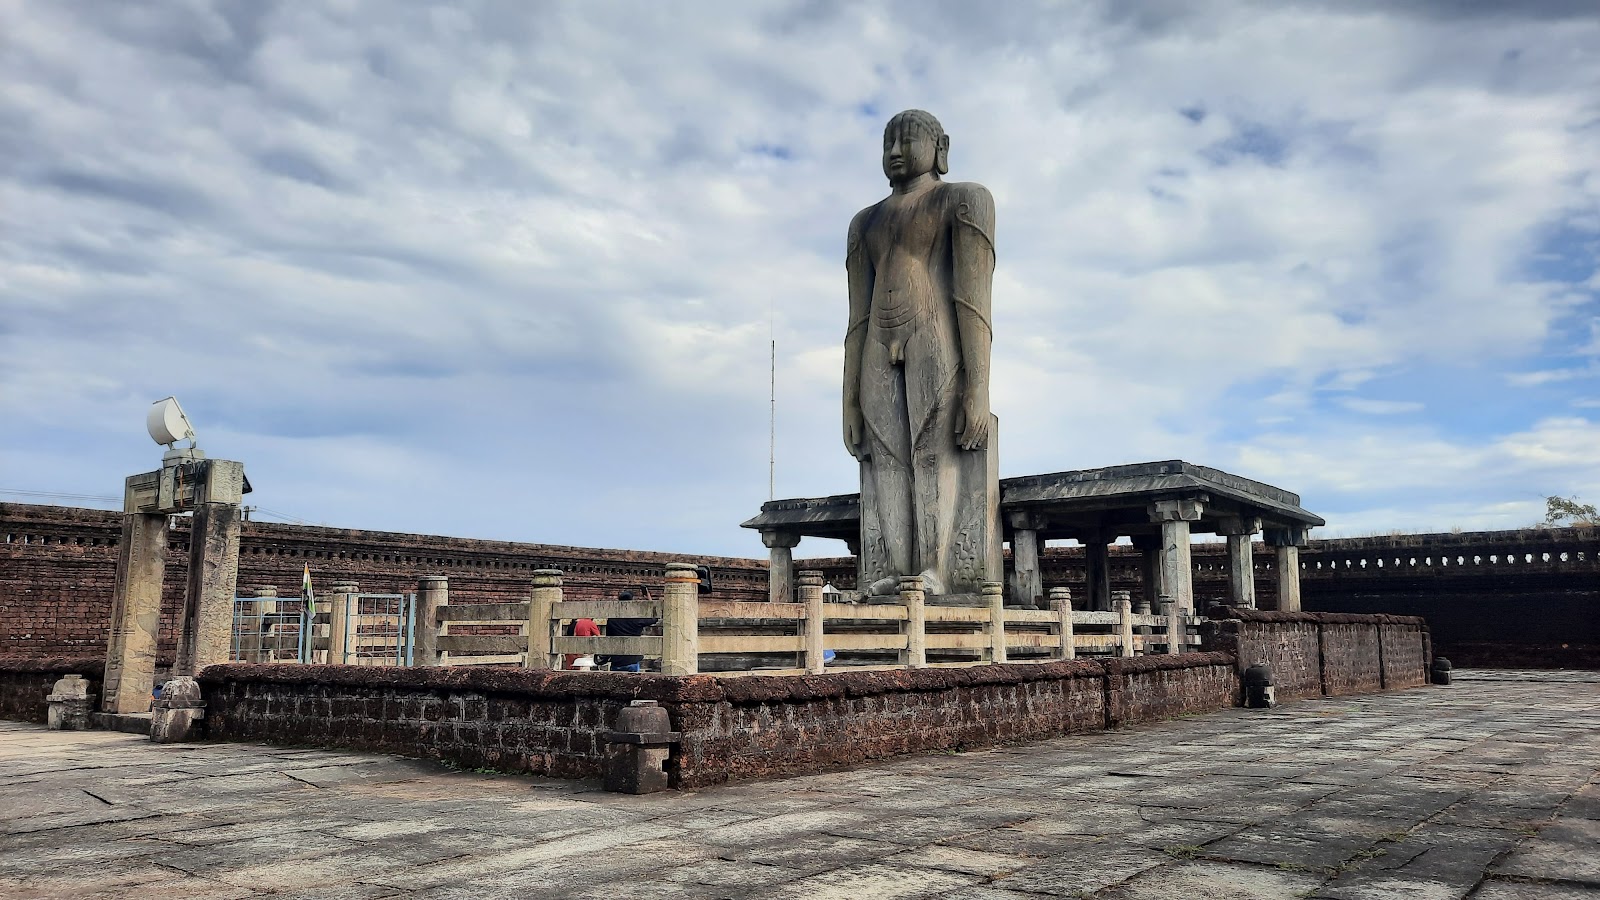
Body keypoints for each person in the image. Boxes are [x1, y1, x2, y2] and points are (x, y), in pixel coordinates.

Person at [843, 109, 998, 597]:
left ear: (940, 148)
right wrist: (848, 400)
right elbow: (856, 318)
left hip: (935, 334)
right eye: (888, 141)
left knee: (933, 452)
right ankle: (895, 566)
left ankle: (934, 566)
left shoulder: (962, 200)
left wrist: (978, 387)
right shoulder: (864, 222)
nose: (894, 151)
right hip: (875, 342)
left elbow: (973, 300)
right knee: (887, 455)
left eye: (907, 140)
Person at [603, 590, 657, 673]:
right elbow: (654, 618)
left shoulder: (612, 619)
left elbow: (608, 639)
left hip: (616, 660)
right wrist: (649, 599)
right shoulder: (636, 619)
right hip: (632, 659)